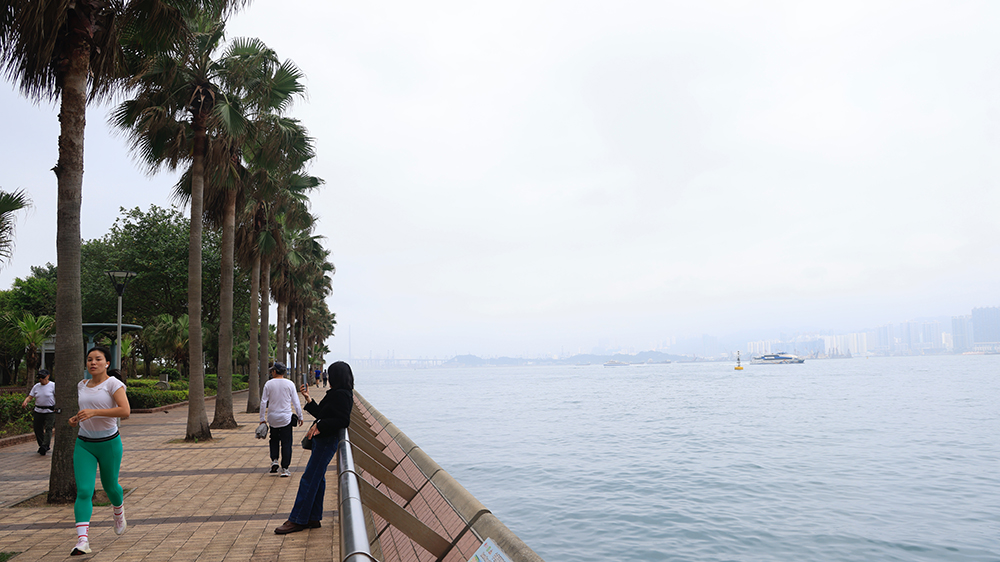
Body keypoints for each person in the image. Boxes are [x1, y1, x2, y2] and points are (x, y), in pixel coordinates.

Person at [274, 361, 354, 534]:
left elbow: (343, 421)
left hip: (326, 442)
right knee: (317, 479)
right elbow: (324, 414)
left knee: (309, 479)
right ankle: (313, 517)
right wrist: (309, 399)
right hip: (322, 441)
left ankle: (297, 520)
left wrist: (321, 426)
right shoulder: (338, 393)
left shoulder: (341, 394)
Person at [67, 346, 131, 556]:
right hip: (84, 444)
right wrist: (76, 419)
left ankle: (118, 510)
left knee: (110, 486)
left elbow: (125, 411)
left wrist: (94, 412)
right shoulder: (82, 385)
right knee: (84, 491)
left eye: (97, 359)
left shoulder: (113, 384)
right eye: (89, 359)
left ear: (107, 363)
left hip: (109, 444)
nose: (92, 363)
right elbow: (85, 410)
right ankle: (82, 541)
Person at [259, 362, 303, 477]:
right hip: (286, 418)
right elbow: (296, 402)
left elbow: (263, 402)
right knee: (286, 443)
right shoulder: (290, 384)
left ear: (274, 371)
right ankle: (285, 468)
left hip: (272, 418)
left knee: (273, 439)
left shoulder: (268, 384)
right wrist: (300, 416)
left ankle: (274, 459)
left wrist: (262, 418)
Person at [22, 369, 56, 455]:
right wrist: (26, 401)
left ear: (48, 376)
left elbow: (58, 396)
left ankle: (44, 446)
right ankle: (42, 445)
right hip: (38, 410)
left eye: (43, 377)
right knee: (37, 429)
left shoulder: (53, 385)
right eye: (39, 377)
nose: (41, 379)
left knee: (48, 428)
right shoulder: (36, 386)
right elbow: (30, 396)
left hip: (49, 411)